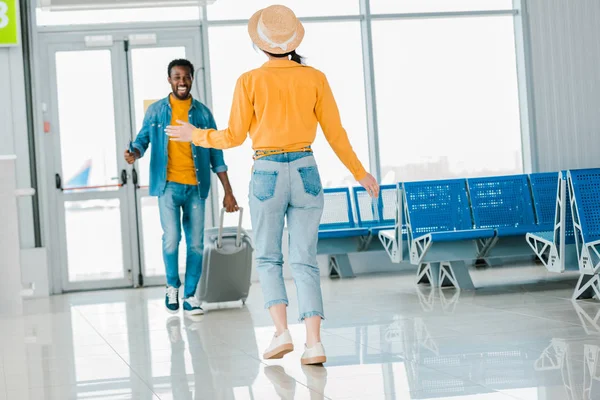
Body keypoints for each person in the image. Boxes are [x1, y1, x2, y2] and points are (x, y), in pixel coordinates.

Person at [166, 6, 379, 364]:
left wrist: (194, 135)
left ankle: (281, 333)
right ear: (292, 41)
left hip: (266, 170)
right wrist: (361, 173)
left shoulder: (249, 80)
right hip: (306, 168)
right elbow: (336, 134)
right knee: (305, 260)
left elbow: (233, 137)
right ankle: (315, 343)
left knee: (268, 256)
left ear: (260, 44)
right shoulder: (315, 78)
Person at [125, 59, 238, 317]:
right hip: (167, 186)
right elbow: (142, 140)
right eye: (177, 77)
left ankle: (190, 296)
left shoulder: (202, 114)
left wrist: (228, 192)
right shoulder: (156, 111)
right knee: (172, 239)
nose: (182, 82)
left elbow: (216, 154)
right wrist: (134, 153)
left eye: (186, 77)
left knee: (196, 244)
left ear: (192, 79)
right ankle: (172, 286)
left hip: (196, 189)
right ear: (169, 80)